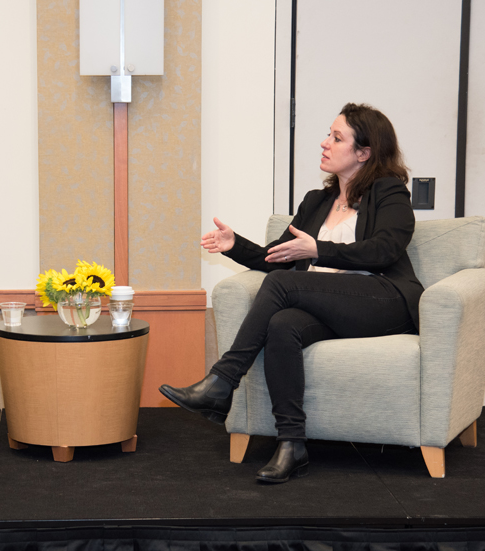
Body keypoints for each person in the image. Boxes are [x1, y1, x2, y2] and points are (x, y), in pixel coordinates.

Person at [159, 103, 423, 484]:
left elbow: (386, 250)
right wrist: (235, 244)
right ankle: (291, 444)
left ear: (364, 153)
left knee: (283, 287)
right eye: (328, 134)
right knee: (283, 324)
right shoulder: (316, 202)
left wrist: (319, 250)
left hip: (383, 302)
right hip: (332, 306)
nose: (324, 143)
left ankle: (222, 381)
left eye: (336, 138)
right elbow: (279, 261)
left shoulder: (390, 192)